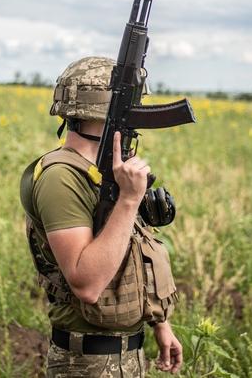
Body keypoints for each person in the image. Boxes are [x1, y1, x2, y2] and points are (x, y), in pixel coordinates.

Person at [20, 56, 183, 377]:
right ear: (101, 111)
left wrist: (160, 322)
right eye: (128, 105)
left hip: (128, 355)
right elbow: (87, 284)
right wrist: (129, 200)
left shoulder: (108, 173)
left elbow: (129, 250)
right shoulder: (61, 177)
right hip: (87, 362)